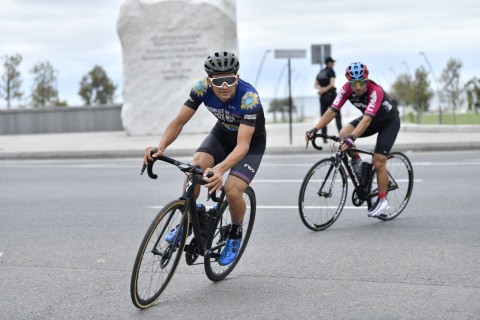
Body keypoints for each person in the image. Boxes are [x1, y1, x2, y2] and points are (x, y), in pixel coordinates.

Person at [143, 51, 266, 265]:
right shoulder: (201, 89)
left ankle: (235, 234)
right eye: (219, 81)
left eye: (230, 79)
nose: (225, 86)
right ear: (210, 81)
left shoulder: (248, 98)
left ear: (237, 77)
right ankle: (188, 219)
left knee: (232, 189)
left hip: (249, 145)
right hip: (221, 135)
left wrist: (220, 169)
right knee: (195, 167)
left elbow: (243, 145)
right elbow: (179, 121)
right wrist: (160, 146)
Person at [306, 62, 400, 217]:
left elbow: (366, 120)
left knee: (378, 160)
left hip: (388, 122)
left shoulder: (375, 91)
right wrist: (315, 129)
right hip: (370, 119)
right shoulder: (345, 89)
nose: (357, 87)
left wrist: (352, 139)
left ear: (366, 79)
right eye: (354, 83)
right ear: (349, 82)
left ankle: (383, 201)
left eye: (361, 82)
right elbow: (332, 111)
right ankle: (358, 162)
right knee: (343, 134)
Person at [314, 57, 342, 143]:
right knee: (337, 115)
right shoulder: (331, 71)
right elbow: (332, 84)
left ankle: (324, 138)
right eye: (332, 62)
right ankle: (341, 135)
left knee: (323, 117)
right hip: (331, 96)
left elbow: (315, 85)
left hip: (322, 97)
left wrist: (321, 89)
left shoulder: (320, 72)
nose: (333, 64)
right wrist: (325, 89)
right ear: (329, 63)